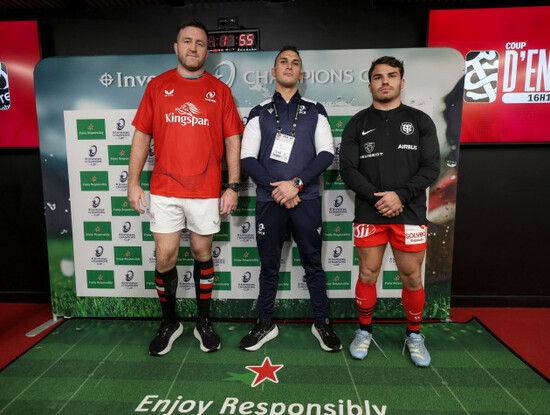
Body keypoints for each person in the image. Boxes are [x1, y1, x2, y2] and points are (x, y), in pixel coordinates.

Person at [128, 19, 243, 356]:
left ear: (208, 51)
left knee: (201, 254)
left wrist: (232, 185)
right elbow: (141, 137)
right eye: (187, 41)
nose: (194, 48)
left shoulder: (220, 91)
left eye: (201, 43)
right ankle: (170, 322)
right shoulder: (157, 86)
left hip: (206, 190)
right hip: (164, 189)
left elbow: (233, 140)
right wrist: (133, 181)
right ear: (176, 47)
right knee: (164, 257)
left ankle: (202, 322)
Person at [239, 46, 341, 352]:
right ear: (273, 72)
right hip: (270, 201)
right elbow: (247, 158)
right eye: (283, 62)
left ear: (301, 73)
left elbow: (326, 153)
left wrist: (295, 184)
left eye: (295, 63)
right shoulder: (259, 112)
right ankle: (265, 323)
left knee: (313, 264)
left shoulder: (314, 109)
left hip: (305, 198)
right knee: (268, 266)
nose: (289, 66)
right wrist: (278, 189)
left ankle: (321, 322)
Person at [340, 56, 440, 367]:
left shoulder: (421, 120)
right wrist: (377, 197)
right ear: (369, 84)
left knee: (411, 277)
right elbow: (348, 169)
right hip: (370, 214)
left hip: (409, 214)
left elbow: (431, 167)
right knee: (367, 274)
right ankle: (364, 331)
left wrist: (400, 196)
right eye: (379, 77)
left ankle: (414, 335)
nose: (385, 81)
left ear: (402, 82)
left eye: (392, 76)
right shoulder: (357, 123)